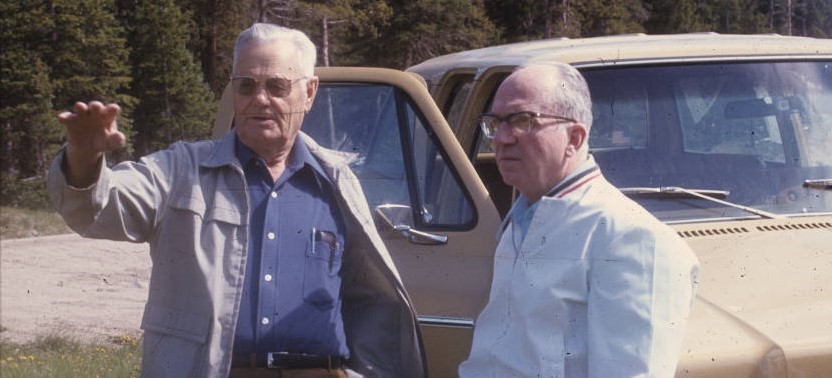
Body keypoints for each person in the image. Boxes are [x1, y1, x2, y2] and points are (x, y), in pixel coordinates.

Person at [47, 23, 425, 378]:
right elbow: (100, 207)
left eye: (276, 86)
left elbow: (371, 300)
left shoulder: (336, 181)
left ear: (309, 92)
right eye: (246, 86)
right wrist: (83, 158)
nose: (259, 99)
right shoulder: (182, 170)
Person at [457, 63, 700, 378]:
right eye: (495, 123)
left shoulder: (632, 238)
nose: (501, 139)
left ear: (574, 137)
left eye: (521, 120)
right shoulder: (521, 219)